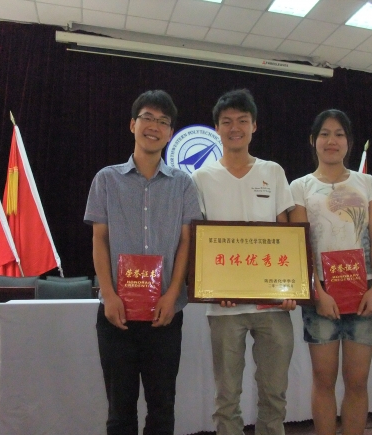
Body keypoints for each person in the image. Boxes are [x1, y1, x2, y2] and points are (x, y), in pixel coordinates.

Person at [84, 89, 202, 435]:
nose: (155, 126)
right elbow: (100, 239)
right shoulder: (106, 179)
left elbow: (186, 242)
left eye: (163, 121)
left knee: (162, 408)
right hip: (116, 314)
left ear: (170, 132)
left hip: (165, 314)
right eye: (147, 118)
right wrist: (109, 294)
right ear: (132, 124)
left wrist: (173, 294)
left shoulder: (183, 184)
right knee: (120, 411)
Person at [191, 88, 296, 435]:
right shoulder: (201, 177)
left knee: (274, 395)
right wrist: (213, 287)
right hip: (224, 307)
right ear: (217, 129)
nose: (234, 128)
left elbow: (286, 232)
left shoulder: (273, 171)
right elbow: (199, 242)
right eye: (227, 122)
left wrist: (291, 287)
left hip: (273, 304)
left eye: (242, 120)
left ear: (254, 126)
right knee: (226, 399)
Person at [288, 109, 372, 435]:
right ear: (313, 140)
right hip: (322, 294)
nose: (332, 141)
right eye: (325, 134)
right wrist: (317, 293)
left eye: (339, 134)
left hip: (364, 292)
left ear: (349, 142)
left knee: (357, 382)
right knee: (323, 380)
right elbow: (300, 245)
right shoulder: (299, 187)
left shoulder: (367, 183)